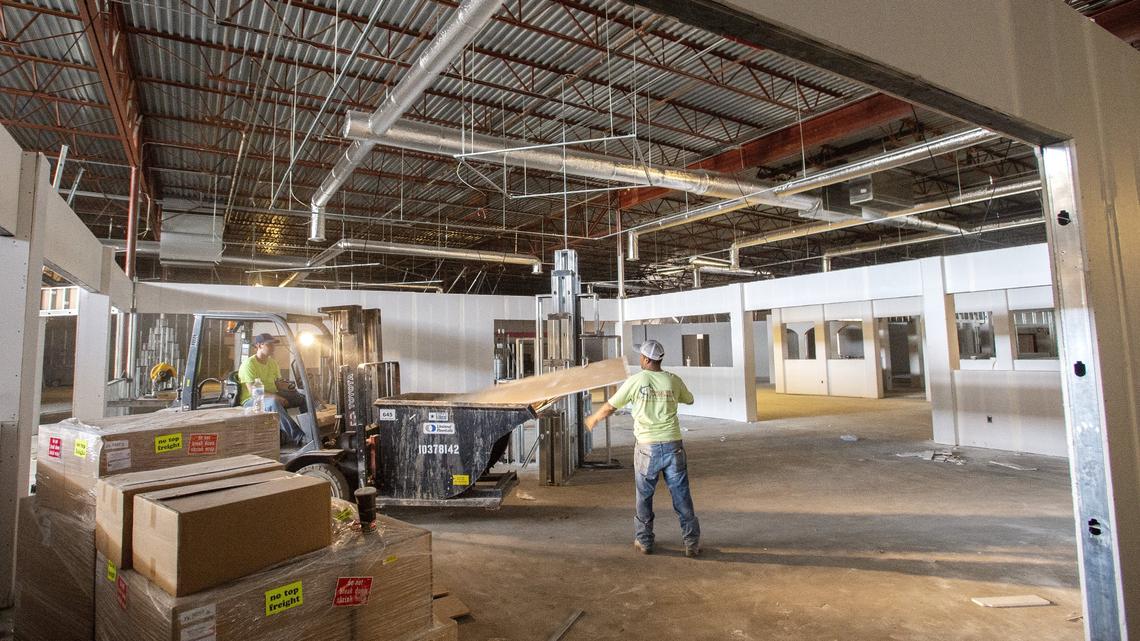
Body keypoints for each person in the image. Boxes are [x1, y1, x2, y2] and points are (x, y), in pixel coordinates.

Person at [585, 339, 700, 557]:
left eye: (641, 356)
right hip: (673, 445)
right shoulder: (673, 380)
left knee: (644, 495)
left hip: (647, 447)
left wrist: (594, 419)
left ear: (646, 359)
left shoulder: (636, 381)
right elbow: (690, 399)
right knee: (681, 495)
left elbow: (611, 406)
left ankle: (645, 541)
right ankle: (691, 542)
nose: (640, 359)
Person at [238, 333, 306, 446]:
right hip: (252, 401)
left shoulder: (272, 363)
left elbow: (278, 384)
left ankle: (311, 428)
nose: (273, 347)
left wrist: (293, 388)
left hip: (271, 395)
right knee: (274, 403)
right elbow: (253, 393)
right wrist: (275, 396)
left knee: (302, 397)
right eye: (270, 345)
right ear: (259, 345)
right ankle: (300, 437)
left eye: (273, 345)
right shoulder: (249, 364)